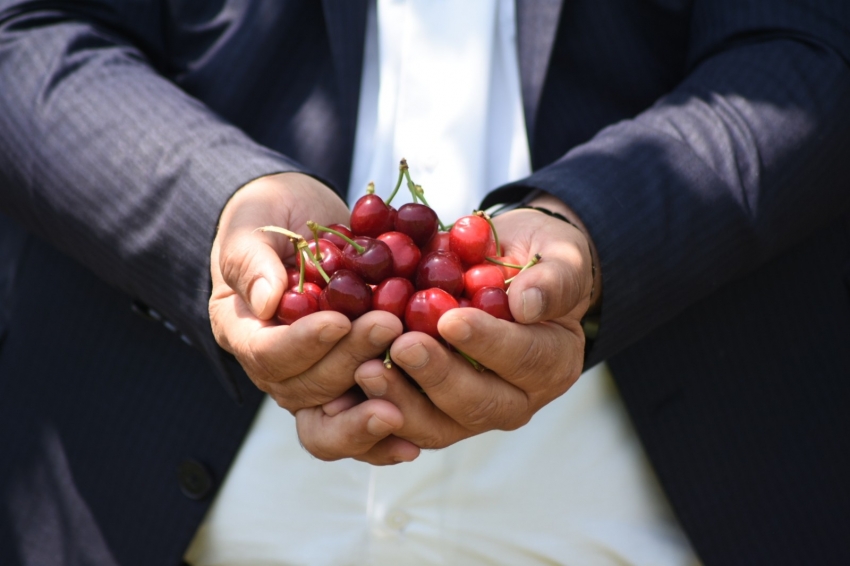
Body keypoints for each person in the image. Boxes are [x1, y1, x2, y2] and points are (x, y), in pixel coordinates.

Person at [1, 0, 849, 564]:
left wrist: (600, 238)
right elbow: (28, 31)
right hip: (156, 496)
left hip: (658, 505)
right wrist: (220, 208)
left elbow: (812, 41)